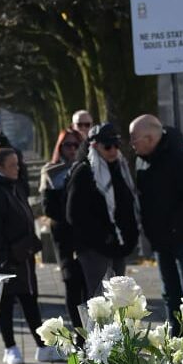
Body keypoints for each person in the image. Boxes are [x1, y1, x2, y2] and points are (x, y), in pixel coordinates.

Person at [0, 148, 59, 364]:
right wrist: (4, 259)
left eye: (18, 164)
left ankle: (43, 346)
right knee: (5, 304)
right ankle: (10, 348)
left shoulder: (13, 186)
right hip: (5, 261)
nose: (18, 168)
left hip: (22, 257)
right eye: (13, 165)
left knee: (30, 300)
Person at [130, 114, 183, 333]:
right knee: (169, 291)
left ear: (150, 138)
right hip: (161, 240)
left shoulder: (180, 158)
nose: (132, 144)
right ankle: (176, 335)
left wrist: (174, 226)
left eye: (135, 139)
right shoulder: (141, 159)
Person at [65, 123, 139, 297]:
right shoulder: (84, 172)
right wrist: (102, 237)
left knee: (119, 297)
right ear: (95, 146)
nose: (113, 150)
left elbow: (127, 204)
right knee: (100, 298)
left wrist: (130, 235)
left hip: (118, 244)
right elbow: (74, 214)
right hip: (94, 248)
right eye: (107, 146)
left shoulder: (121, 168)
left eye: (116, 145)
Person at [40, 128, 87, 328]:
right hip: (64, 235)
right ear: (60, 147)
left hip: (87, 234)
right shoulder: (51, 172)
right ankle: (78, 331)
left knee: (89, 283)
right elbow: (48, 207)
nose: (72, 149)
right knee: (71, 281)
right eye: (67, 145)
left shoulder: (89, 168)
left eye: (76, 145)